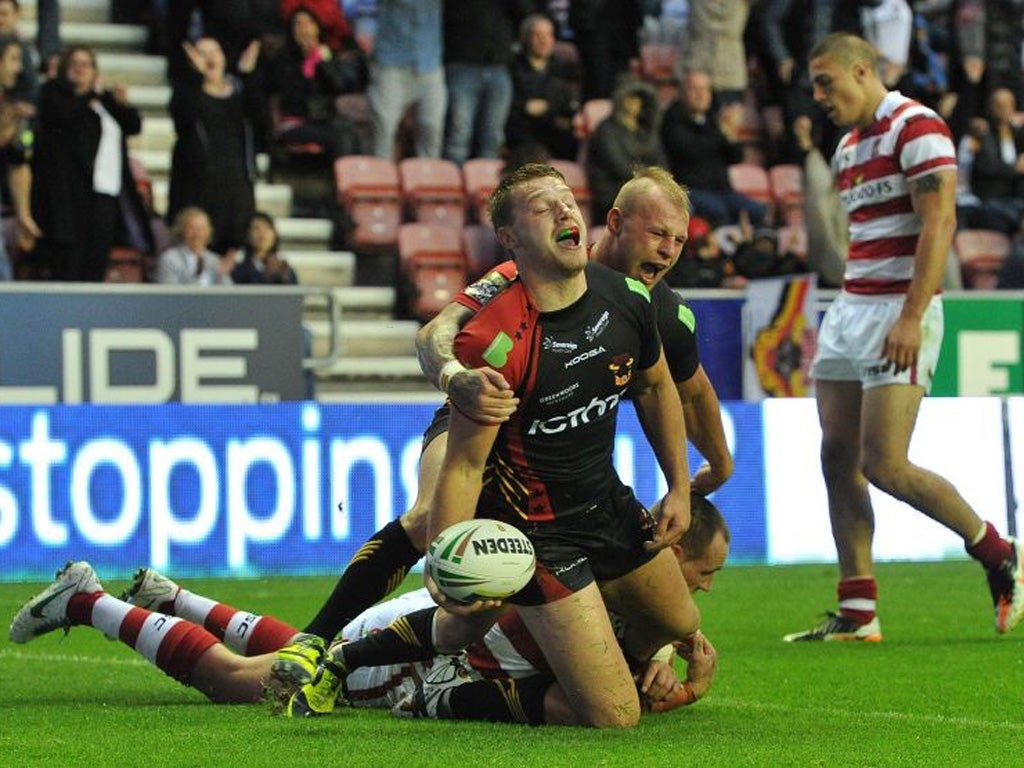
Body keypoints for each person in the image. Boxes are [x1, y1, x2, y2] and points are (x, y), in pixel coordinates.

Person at [287, 164, 698, 728]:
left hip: (606, 505)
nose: (564, 211)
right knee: (614, 716)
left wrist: (681, 485)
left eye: (568, 200)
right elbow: (464, 459)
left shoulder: (628, 299)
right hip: (540, 526)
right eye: (542, 207)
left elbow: (657, 387)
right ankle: (415, 682)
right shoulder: (498, 334)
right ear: (509, 239)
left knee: (677, 621)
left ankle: (564, 667)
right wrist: (441, 563)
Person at [5, 494, 727, 716]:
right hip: (411, 654)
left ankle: (172, 597)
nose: (705, 586)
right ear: (667, 557)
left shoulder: (607, 581)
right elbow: (575, 709)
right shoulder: (569, 592)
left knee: (297, 642)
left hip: (417, 639)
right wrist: (681, 692)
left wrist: (658, 657)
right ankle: (89, 602)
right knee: (239, 682)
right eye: (703, 570)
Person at [784, 32, 1024, 643]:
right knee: (836, 455)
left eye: (825, 83)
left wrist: (913, 316)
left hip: (901, 310)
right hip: (850, 310)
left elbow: (939, 222)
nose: (818, 97)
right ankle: (858, 611)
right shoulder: (847, 147)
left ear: (862, 71)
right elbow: (865, 236)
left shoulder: (916, 127)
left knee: (884, 463)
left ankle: (998, 551)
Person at [30, 45, 154, 282]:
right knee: (69, 262)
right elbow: (63, 117)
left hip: (105, 193)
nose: (80, 69)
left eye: (86, 64)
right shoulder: (54, 94)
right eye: (74, 63)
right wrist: (92, 95)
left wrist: (120, 102)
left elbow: (133, 125)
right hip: (69, 197)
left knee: (95, 260)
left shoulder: (103, 101)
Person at [168, 36, 263, 255]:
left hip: (237, 187)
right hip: (198, 188)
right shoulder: (187, 93)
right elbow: (183, 119)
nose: (209, 57)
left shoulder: (240, 92)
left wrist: (247, 75)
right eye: (202, 52)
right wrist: (195, 76)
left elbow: (261, 122)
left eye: (214, 51)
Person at [661, 70, 767, 228]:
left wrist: (731, 136)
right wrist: (720, 133)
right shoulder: (672, 121)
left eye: (705, 89)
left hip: (722, 190)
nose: (701, 95)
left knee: (758, 211)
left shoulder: (713, 120)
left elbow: (736, 158)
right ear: (682, 93)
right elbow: (692, 152)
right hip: (691, 190)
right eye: (694, 89)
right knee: (717, 211)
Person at [268, 7, 366, 162]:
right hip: (295, 122)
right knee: (341, 137)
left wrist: (324, 64)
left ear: (317, 28)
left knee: (354, 135)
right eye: (299, 25)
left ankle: (356, 183)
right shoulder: (283, 59)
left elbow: (337, 88)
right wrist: (306, 65)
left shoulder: (326, 56)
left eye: (309, 24)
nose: (304, 29)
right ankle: (342, 183)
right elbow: (290, 95)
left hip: (323, 119)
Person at [366, 0, 446, 159]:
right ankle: (380, 180)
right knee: (384, 127)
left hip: (430, 65)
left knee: (431, 127)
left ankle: (428, 180)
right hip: (391, 64)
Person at [586, 78, 665, 222]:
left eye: (638, 98)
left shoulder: (646, 129)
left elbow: (661, 161)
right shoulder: (606, 130)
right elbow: (619, 166)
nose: (634, 102)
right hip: (613, 194)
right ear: (620, 99)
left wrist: (659, 179)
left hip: (645, 189)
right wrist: (651, 177)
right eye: (630, 97)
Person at [505, 13, 579, 162]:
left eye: (548, 35)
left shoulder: (562, 69)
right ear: (526, 39)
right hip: (521, 134)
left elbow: (569, 107)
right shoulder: (512, 68)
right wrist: (524, 107)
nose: (544, 41)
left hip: (554, 135)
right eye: (537, 35)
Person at [155, 206, 234, 285]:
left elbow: (228, 293)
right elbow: (170, 293)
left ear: (208, 232)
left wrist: (222, 275)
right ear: (182, 230)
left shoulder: (215, 260)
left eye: (201, 229)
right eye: (191, 229)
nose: (197, 234)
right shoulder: (169, 259)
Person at [229, 211, 296, 284]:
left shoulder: (283, 269)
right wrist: (265, 277)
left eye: (267, 228)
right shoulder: (238, 269)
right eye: (256, 228)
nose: (262, 233)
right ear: (247, 235)